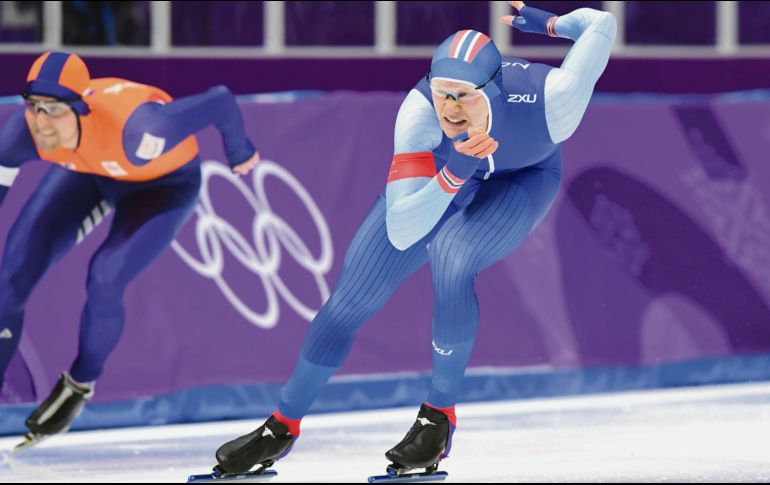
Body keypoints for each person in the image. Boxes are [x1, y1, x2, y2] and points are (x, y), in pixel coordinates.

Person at [213, 0, 616, 477]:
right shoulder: (418, 115)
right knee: (350, 298)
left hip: (523, 178)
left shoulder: (554, 99)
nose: (450, 108)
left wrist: (551, 25)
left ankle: (437, 419)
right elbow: (403, 230)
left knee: (452, 255)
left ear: (494, 92)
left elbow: (601, 23)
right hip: (446, 175)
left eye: (464, 96)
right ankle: (282, 425)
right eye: (442, 93)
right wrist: (453, 173)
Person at [0, 51, 260, 446]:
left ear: (81, 109)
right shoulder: (21, 134)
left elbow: (220, 102)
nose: (40, 121)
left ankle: (79, 384)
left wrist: (239, 151)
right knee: (8, 285)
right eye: (33, 106)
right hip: (89, 173)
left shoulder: (143, 129)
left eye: (53, 110)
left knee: (105, 276)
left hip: (163, 186)